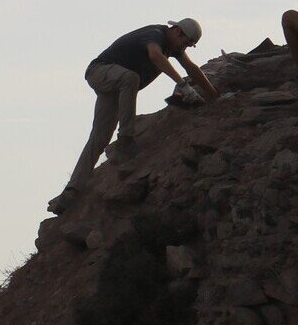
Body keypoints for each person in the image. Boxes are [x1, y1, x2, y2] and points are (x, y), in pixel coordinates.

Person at [48, 19, 219, 214]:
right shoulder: (156, 34)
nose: (184, 47)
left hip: (117, 85)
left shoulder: (172, 48)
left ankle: (71, 192)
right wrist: (183, 85)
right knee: (131, 79)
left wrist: (215, 96)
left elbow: (192, 68)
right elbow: (155, 55)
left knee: (99, 138)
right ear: (177, 32)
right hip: (100, 72)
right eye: (186, 43)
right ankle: (126, 139)